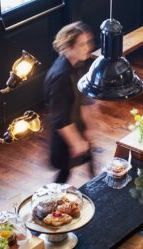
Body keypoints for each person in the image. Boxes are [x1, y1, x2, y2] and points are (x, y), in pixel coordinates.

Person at [44, 21, 95, 183]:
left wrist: (88, 126)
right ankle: (50, 203)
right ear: (69, 47)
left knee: (89, 159)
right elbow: (59, 119)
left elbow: (82, 96)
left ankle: (95, 186)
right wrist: (76, 142)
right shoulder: (60, 77)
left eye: (87, 42)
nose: (87, 47)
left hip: (76, 124)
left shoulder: (78, 63)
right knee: (64, 173)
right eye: (82, 44)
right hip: (65, 134)